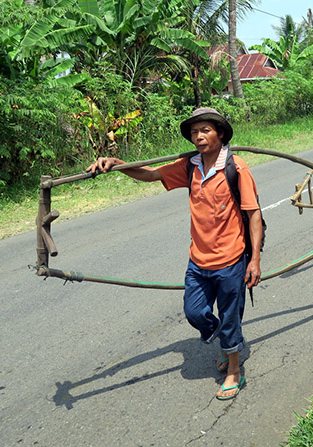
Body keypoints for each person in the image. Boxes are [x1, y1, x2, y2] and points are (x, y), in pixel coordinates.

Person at [86, 108, 262, 400]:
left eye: (205, 130)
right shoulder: (190, 166)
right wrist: (117, 164)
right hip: (199, 260)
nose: (199, 136)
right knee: (195, 313)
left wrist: (254, 260)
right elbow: (152, 174)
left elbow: (254, 215)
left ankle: (233, 370)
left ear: (220, 133)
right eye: (194, 132)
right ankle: (228, 341)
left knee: (230, 316)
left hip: (231, 260)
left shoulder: (237, 168)